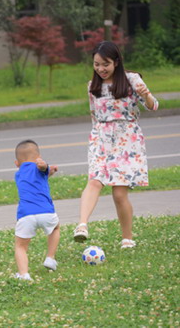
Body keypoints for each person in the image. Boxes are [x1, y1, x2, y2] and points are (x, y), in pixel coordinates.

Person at [73, 41, 159, 248]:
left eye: (105, 64)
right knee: (94, 180)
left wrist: (146, 94)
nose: (101, 69)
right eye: (96, 64)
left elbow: (153, 106)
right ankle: (82, 225)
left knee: (119, 193)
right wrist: (96, 139)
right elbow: (94, 115)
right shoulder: (92, 86)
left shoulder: (131, 80)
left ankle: (127, 238)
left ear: (116, 62)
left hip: (127, 139)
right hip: (101, 137)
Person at [13, 140, 60, 281]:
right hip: (46, 212)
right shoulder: (40, 167)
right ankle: (50, 258)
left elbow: (37, 176)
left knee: (21, 246)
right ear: (38, 157)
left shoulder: (18, 174)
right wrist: (47, 167)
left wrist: (47, 170)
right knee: (55, 228)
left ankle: (24, 274)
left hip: (25, 215)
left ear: (16, 163)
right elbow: (43, 170)